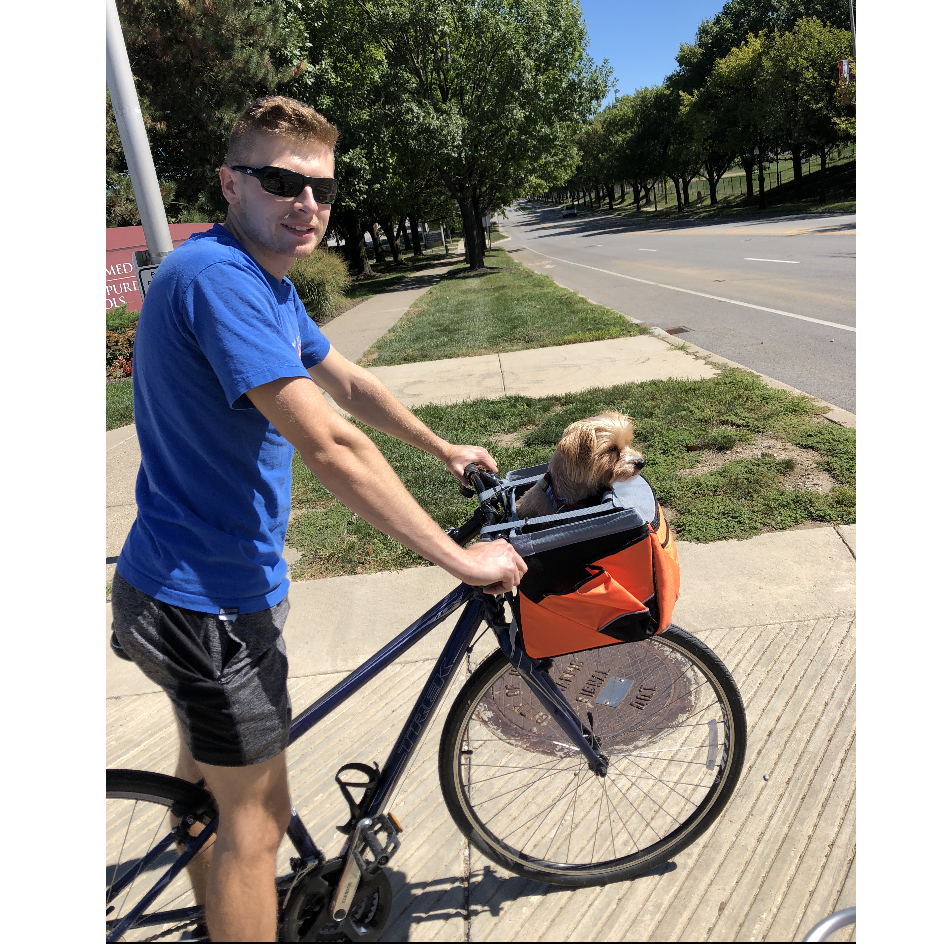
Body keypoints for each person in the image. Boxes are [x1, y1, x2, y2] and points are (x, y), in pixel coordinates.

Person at [111, 95, 527, 942]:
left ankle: (221, 911)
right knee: (255, 828)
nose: (307, 205)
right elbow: (331, 443)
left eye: (323, 191)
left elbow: (351, 385)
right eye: (281, 181)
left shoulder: (260, 280)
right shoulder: (220, 280)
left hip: (199, 585)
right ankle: (235, 910)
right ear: (231, 183)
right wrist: (462, 562)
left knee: (208, 795)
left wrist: (440, 446)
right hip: (207, 606)